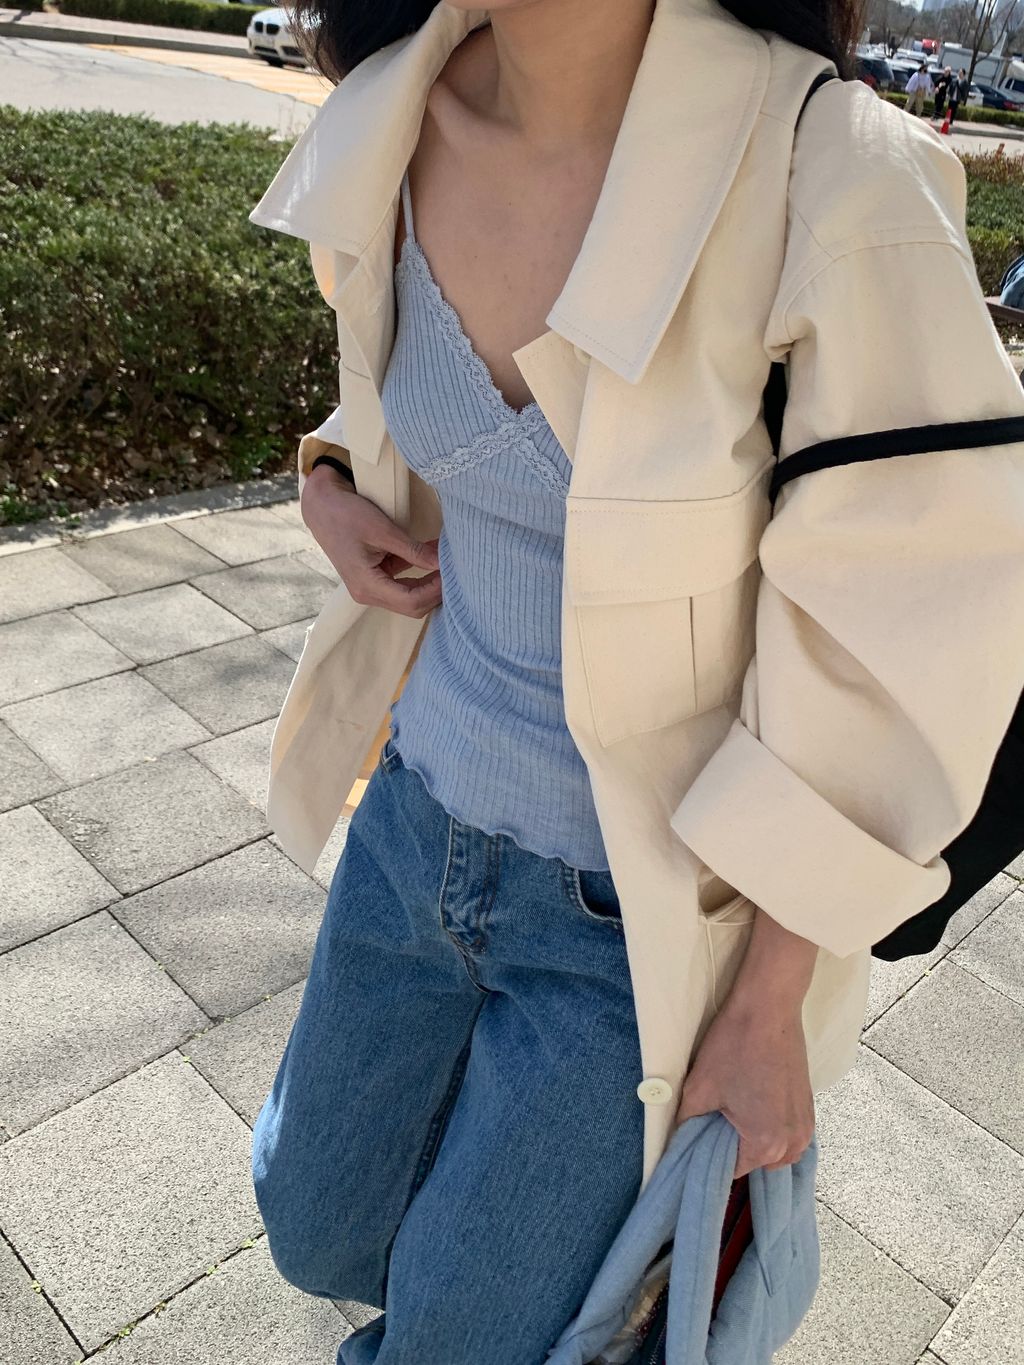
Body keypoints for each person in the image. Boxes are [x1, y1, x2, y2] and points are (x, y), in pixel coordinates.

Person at [247, 1, 1024, 1361]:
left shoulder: (830, 172)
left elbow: (918, 618)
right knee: (313, 1225)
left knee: (458, 1340)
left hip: (633, 918)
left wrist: (770, 1006)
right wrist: (332, 480)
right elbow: (418, 401)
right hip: (412, 824)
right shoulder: (394, 109)